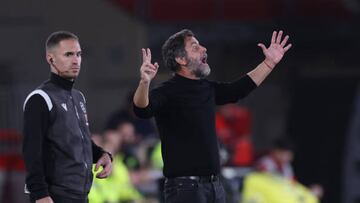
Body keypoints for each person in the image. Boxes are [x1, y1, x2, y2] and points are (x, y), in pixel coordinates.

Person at [133, 29, 292, 203]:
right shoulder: (167, 91)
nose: (203, 49)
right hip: (185, 189)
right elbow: (142, 109)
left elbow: (237, 90)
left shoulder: (207, 88)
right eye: (195, 47)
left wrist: (269, 63)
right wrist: (144, 82)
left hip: (215, 186)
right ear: (181, 59)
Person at [22, 31, 113, 203]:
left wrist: (102, 154)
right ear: (51, 59)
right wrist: (40, 194)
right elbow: (31, 152)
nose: (75, 60)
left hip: (80, 196)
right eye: (68, 54)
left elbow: (79, 140)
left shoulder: (78, 97)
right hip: (54, 196)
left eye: (78, 54)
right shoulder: (40, 98)